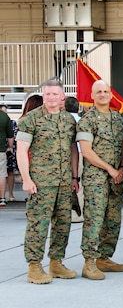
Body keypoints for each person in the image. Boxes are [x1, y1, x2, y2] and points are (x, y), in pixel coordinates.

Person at [16, 79, 79, 284]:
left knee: (63, 224)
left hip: (63, 182)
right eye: (47, 94)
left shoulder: (69, 120)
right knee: (38, 224)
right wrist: (25, 179)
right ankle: (34, 266)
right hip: (40, 182)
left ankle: (56, 262)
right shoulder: (30, 119)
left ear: (62, 97)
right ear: (43, 96)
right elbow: (21, 150)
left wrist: (74, 176)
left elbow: (72, 150)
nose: (51, 97)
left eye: (55, 94)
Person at [76, 81, 123, 280]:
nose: (103, 94)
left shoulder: (117, 118)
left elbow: (122, 146)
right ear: (92, 95)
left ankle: (104, 258)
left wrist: (121, 167)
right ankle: (89, 262)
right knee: (94, 220)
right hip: (96, 179)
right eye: (99, 92)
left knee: (113, 221)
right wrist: (111, 170)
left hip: (116, 178)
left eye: (106, 91)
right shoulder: (87, 119)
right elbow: (87, 152)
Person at [64, 96, 84, 222]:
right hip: (83, 154)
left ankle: (74, 214)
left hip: (71, 155)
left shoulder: (66, 121)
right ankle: (80, 213)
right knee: (80, 186)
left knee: (71, 186)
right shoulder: (82, 120)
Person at [0, 105, 13, 207]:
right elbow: (10, 135)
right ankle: (2, 198)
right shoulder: (4, 117)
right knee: (2, 174)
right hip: (1, 150)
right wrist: (10, 147)